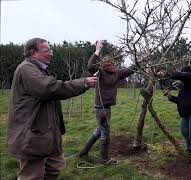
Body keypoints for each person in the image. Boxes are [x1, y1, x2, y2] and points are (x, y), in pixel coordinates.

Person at [6, 38, 97, 180]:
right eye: (46, 50)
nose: (51, 53)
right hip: (31, 133)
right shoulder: (27, 69)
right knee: (32, 175)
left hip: (45, 132)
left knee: (55, 166)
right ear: (33, 53)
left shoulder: (38, 69)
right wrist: (83, 83)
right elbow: (50, 89)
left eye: (51, 50)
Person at [79, 41, 137, 164]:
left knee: (99, 131)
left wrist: (140, 62)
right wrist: (97, 50)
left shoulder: (116, 73)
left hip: (108, 106)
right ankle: (104, 159)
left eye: (114, 64)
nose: (114, 66)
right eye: (111, 64)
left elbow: (129, 70)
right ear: (105, 66)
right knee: (105, 132)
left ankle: (84, 151)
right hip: (101, 107)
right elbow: (90, 66)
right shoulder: (100, 72)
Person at [157, 66, 191, 163]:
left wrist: (166, 74)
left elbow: (182, 75)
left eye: (183, 75)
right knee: (185, 131)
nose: (181, 79)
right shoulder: (185, 88)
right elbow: (181, 101)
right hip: (189, 112)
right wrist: (170, 97)